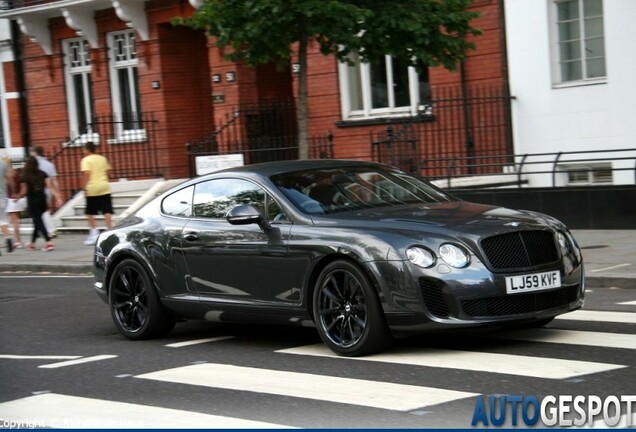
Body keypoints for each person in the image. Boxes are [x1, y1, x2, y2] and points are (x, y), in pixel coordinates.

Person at [17, 156, 61, 251]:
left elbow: (24, 191)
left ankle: (48, 242)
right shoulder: (42, 174)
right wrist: (58, 197)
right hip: (42, 200)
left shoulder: (24, 176)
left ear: (27, 164)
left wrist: (17, 196)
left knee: (39, 222)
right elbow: (50, 187)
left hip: (32, 201)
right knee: (37, 222)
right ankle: (32, 243)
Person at [80, 142, 112, 245]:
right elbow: (108, 172)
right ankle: (109, 231)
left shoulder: (86, 160)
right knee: (107, 210)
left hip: (92, 187)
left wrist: (84, 188)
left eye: (84, 149)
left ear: (88, 150)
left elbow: (86, 174)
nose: (83, 151)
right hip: (104, 186)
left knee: (90, 212)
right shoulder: (102, 158)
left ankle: (94, 233)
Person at [31, 146, 61, 238]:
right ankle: (44, 230)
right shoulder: (49, 164)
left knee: (42, 211)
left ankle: (50, 230)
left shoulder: (34, 164)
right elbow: (54, 180)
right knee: (43, 210)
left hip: (38, 190)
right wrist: (58, 194)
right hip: (49, 190)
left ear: (35, 153)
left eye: (32, 152)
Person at [6, 165, 26, 250]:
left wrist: (14, 193)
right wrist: (19, 195)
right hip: (20, 200)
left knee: (15, 222)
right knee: (17, 221)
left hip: (11, 200)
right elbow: (24, 189)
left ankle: (18, 242)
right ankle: (18, 241)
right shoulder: (20, 175)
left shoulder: (8, 176)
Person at [0, 153, 13, 254]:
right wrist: (13, 190)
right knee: (3, 220)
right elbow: (10, 179)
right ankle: (7, 238)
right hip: (3, 197)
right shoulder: (3, 164)